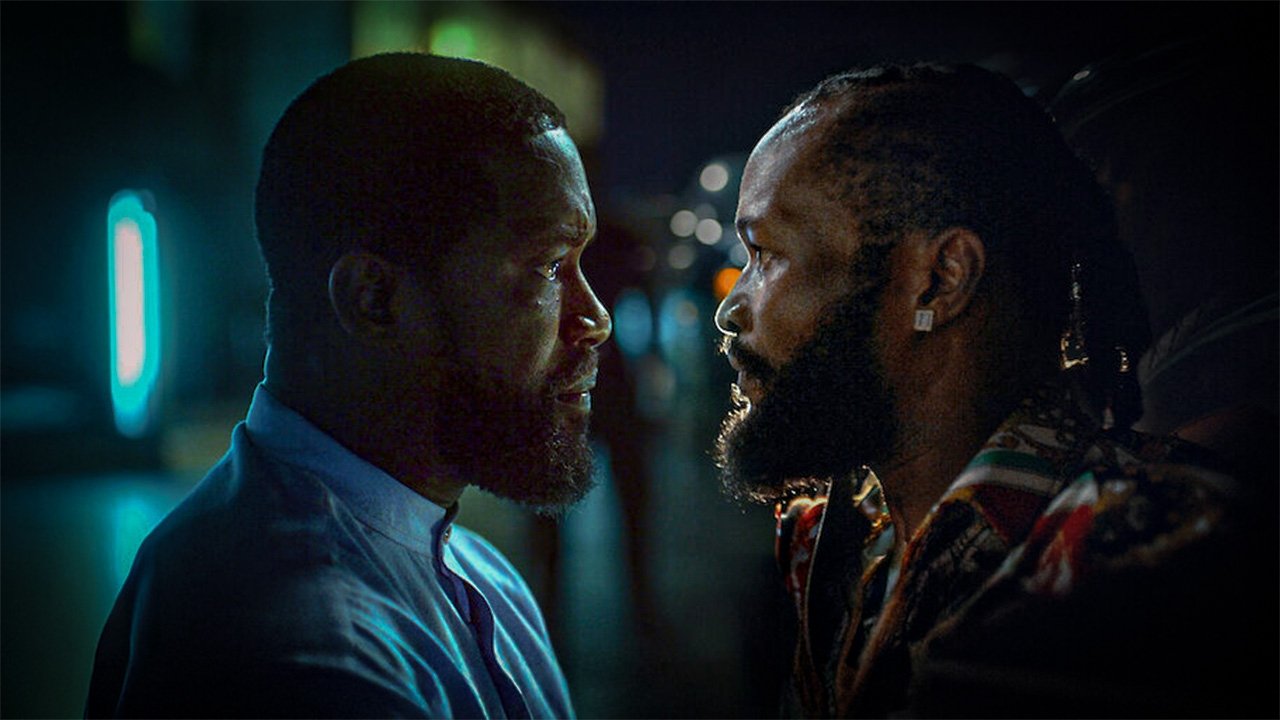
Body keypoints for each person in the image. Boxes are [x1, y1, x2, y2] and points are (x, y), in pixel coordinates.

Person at [713, 63, 1274, 717]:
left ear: (940, 280)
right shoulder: (830, 545)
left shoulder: (1156, 562)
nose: (732, 309)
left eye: (766, 254)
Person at [86, 53, 610, 719]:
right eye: (550, 266)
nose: (596, 319)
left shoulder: (473, 569)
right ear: (374, 300)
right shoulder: (310, 657)